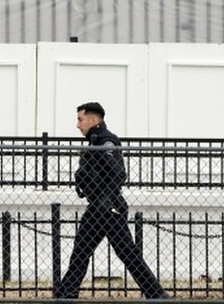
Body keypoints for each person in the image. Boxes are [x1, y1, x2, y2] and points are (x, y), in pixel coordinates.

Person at [53, 102, 169, 300]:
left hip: (109, 208)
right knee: (81, 250)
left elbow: (118, 173)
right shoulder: (95, 141)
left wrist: (105, 201)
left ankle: (156, 294)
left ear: (93, 120)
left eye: (80, 119)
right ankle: (66, 293)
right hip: (99, 206)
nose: (77, 125)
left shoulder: (106, 141)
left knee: (126, 253)